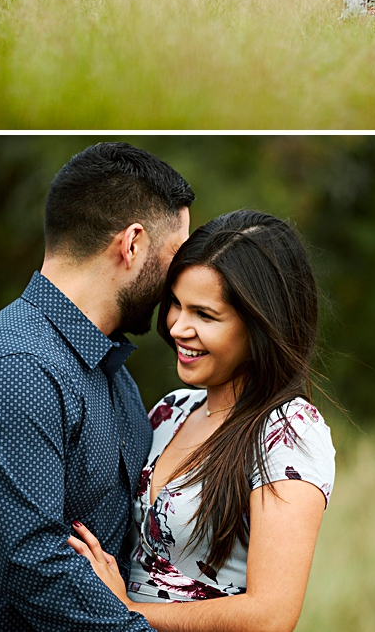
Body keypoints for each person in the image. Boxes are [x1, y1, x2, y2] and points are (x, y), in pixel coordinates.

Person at [0, 141, 194, 632]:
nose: (179, 282)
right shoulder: (16, 367)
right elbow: (33, 563)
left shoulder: (112, 374)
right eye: (176, 255)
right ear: (131, 245)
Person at [68, 210, 336, 632]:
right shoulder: (172, 409)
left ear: (261, 326)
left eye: (204, 315)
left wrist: (126, 611)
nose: (177, 326)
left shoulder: (289, 431)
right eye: (176, 303)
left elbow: (271, 617)